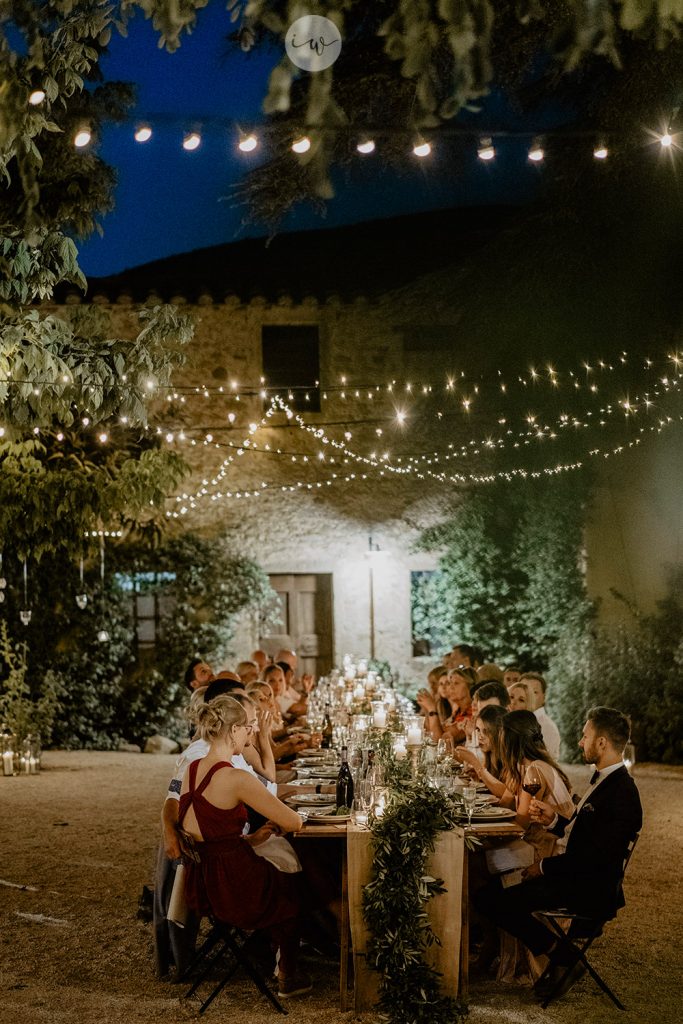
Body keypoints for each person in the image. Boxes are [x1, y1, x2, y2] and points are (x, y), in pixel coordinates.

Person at [474, 706, 642, 999]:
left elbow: (596, 858)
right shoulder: (605, 781)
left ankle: (565, 958)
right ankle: (562, 957)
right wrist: (554, 819)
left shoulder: (622, 794)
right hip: (574, 875)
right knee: (490, 894)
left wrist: (543, 868)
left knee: (492, 899)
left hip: (588, 888)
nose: (580, 742)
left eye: (585, 736)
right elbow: (583, 833)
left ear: (602, 742)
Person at [178, 693, 313, 998]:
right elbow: (293, 823)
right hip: (234, 885)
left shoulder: (192, 769)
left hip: (202, 881)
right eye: (249, 727)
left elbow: (208, 836)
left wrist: (253, 838)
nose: (252, 733)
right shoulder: (236, 777)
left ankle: (271, 957)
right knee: (296, 883)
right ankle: (287, 972)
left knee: (280, 864)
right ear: (234, 730)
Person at [522, 672, 561, 761]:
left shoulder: (547, 728)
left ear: (544, 697)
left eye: (534, 692)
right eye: (524, 691)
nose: (528, 696)